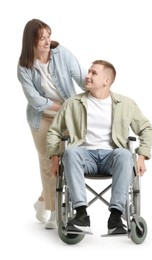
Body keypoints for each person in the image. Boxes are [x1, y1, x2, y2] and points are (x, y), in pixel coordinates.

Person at [46, 60, 152, 234]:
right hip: (84, 157)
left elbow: (146, 128)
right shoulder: (73, 103)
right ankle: (81, 214)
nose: (87, 76)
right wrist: (54, 158)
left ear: (107, 80)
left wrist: (142, 156)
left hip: (112, 158)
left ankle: (116, 217)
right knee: (70, 151)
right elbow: (54, 131)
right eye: (89, 72)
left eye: (93, 73)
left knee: (125, 154)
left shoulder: (126, 104)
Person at [17, 19, 87, 229]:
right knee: (49, 163)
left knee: (68, 160)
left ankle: (43, 201)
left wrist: (98, 89)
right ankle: (55, 211)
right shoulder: (24, 67)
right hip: (42, 118)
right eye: (42, 38)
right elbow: (35, 100)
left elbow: (82, 77)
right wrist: (61, 106)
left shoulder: (61, 53)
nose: (47, 41)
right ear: (31, 42)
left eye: (48, 36)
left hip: (67, 117)